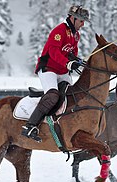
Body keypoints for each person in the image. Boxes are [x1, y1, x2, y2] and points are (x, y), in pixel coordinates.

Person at [21, 5, 90, 142]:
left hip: (63, 71)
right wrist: (67, 63)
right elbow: (53, 52)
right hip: (48, 69)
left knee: (72, 96)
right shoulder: (59, 31)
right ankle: (30, 126)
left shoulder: (76, 34)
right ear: (73, 18)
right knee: (53, 96)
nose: (82, 24)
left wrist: (77, 61)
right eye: (81, 21)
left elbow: (72, 52)